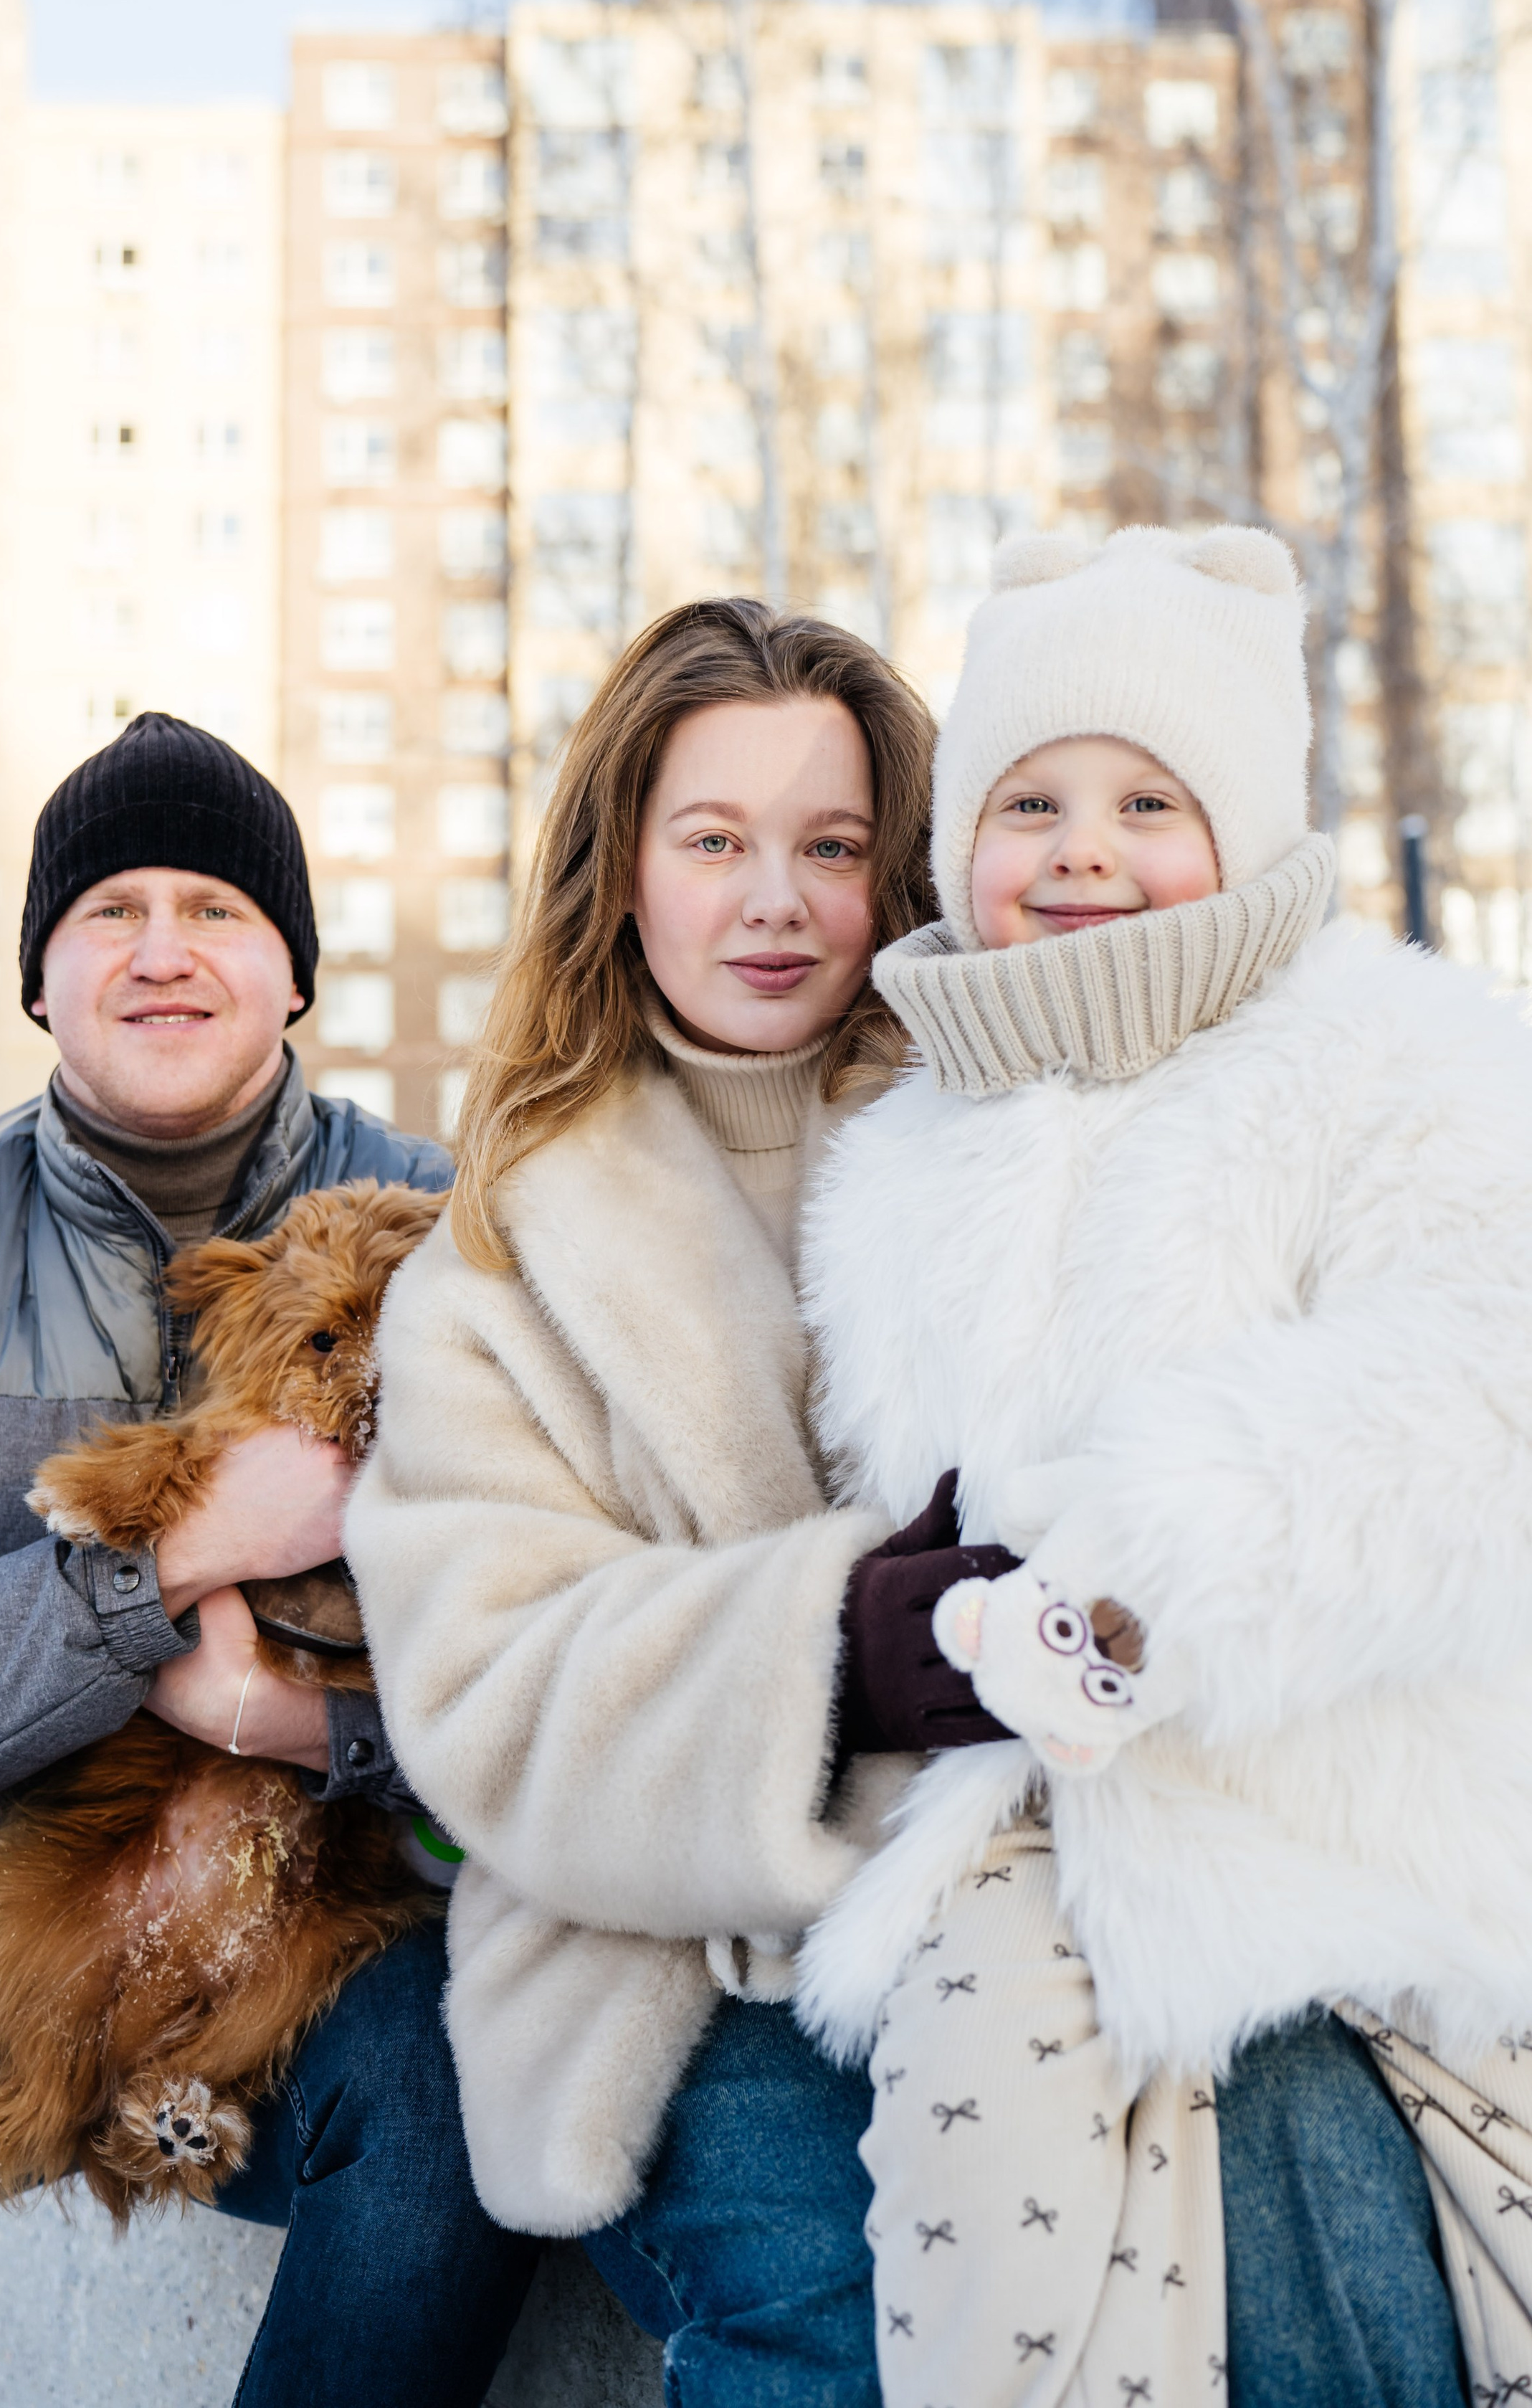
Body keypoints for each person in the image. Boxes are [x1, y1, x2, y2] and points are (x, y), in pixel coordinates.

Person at [348, 592, 1481, 2407]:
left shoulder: (1036, 1096)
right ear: (619, 872)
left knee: (1318, 2229)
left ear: (914, 865)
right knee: (826, 2300)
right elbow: (486, 1704)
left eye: (833, 845)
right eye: (711, 842)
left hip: (1088, 1853)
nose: (775, 900)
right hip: (677, 1956)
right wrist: (839, 1650)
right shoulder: (497, 1264)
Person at [0, 713, 536, 2408]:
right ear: (40, 977)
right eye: (111, 910)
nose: (163, 948)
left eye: (219, 909)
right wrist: (155, 1573)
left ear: (292, 971)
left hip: (349, 1910)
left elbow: (568, 1651)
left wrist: (301, 1732)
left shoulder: (459, 1233)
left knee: (466, 2094)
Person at [796, 523, 1532, 2407]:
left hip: (1362, 1787)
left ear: (1252, 821)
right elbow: (892, 1511)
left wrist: (1145, 1569)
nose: (1088, 851)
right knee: (981, 2170)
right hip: (1027, 1817)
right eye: (1030, 800)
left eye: (1149, 797)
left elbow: (1475, 1379)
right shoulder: (903, 1161)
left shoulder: (1400, 1052)